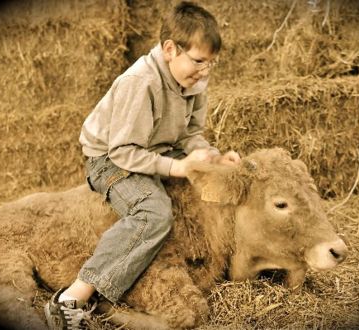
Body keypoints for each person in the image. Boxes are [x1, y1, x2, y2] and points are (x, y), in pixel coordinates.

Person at [44, 1, 240, 329]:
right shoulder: (140, 82)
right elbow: (123, 152)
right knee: (154, 212)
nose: (205, 71)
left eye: (211, 64)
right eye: (198, 61)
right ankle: (73, 297)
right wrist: (178, 168)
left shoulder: (194, 82)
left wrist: (213, 157)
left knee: (210, 181)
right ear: (169, 49)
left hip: (155, 150)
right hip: (111, 159)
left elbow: (191, 135)